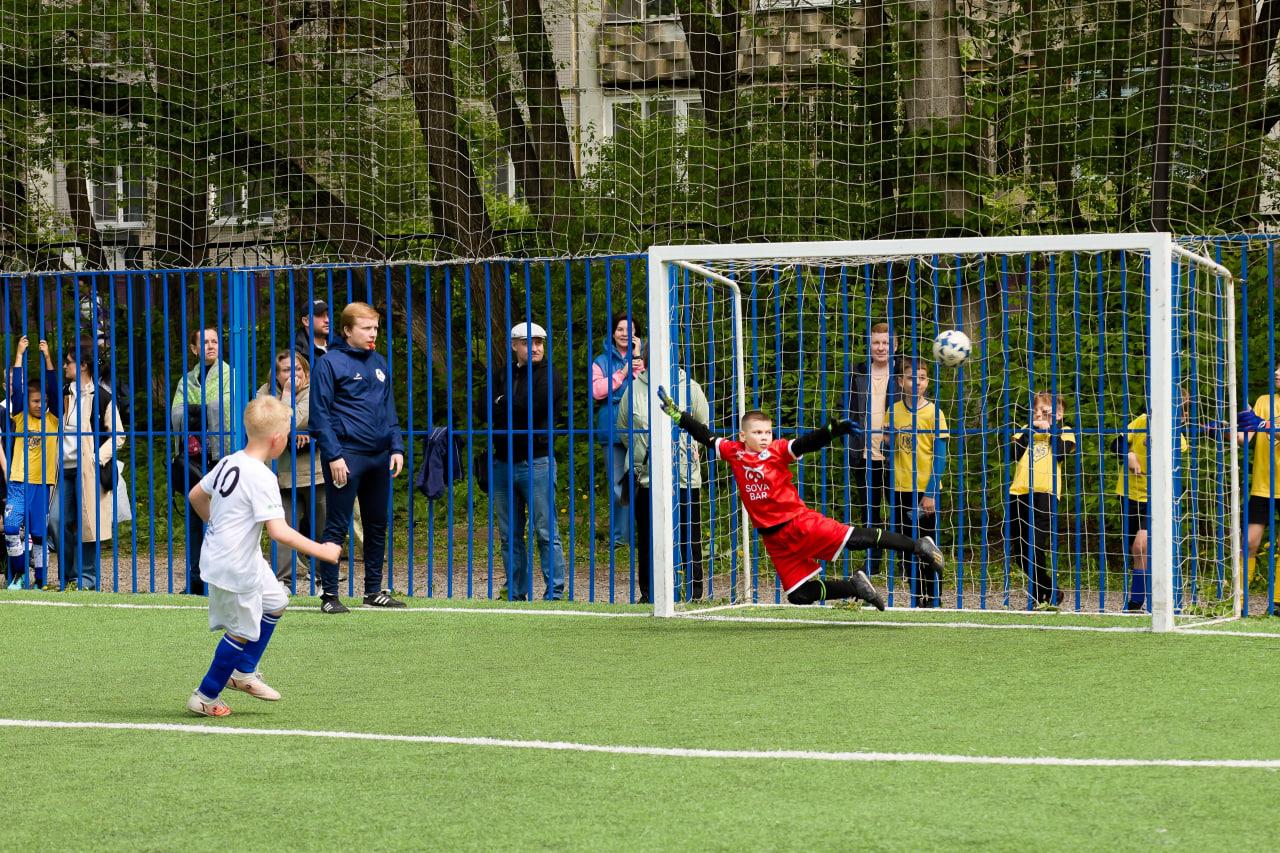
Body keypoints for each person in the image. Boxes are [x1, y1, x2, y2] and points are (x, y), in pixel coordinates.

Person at [657, 392, 946, 609]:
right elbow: (705, 436)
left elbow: (804, 443)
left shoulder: (778, 451)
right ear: (743, 435)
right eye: (757, 432)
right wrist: (678, 416)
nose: (764, 437)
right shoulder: (733, 452)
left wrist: (830, 432)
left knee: (857, 539)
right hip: (774, 538)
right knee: (799, 594)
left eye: (767, 432)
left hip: (796, 523)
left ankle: (918, 546)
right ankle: (854, 587)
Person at [184, 396, 342, 717]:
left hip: (243, 556)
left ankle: (243, 672)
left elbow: (196, 495)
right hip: (234, 565)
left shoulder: (230, 461)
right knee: (241, 631)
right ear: (278, 440)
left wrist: (215, 523)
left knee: (275, 602)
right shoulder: (263, 477)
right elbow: (279, 531)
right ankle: (205, 695)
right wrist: (322, 551)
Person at [310, 302, 406, 613]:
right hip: (346, 456)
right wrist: (334, 455)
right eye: (366, 328)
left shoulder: (379, 362)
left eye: (375, 328)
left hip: (379, 457)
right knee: (336, 525)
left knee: (377, 523)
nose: (372, 333)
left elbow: (388, 410)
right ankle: (329, 596)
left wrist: (396, 447)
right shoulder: (329, 364)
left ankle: (373, 591)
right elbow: (320, 416)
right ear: (347, 330)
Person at [477, 321, 568, 601]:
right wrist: (507, 404)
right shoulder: (501, 374)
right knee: (509, 534)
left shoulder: (550, 374)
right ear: (515, 345)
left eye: (540, 342)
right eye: (529, 342)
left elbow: (535, 406)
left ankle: (554, 592)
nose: (536, 347)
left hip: (536, 462)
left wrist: (502, 403)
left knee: (545, 530)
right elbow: (482, 409)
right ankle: (516, 592)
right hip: (503, 463)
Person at [616, 345, 707, 603]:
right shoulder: (633, 390)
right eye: (652, 358)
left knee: (690, 536)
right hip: (647, 478)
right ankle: (650, 593)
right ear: (644, 360)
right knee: (648, 537)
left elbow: (702, 427)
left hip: (685, 477)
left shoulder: (691, 388)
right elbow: (625, 430)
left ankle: (693, 593)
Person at [58, 342, 126, 591]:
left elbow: (118, 434)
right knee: (57, 520)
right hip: (62, 469)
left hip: (87, 468)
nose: (65, 365)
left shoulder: (103, 397)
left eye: (69, 361)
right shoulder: (63, 393)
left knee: (88, 523)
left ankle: (86, 579)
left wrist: (97, 458)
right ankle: (69, 574)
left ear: (83, 365)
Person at [169, 327, 233, 595]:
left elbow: (230, 405)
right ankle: (196, 580)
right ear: (194, 349)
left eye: (214, 341)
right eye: (204, 342)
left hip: (221, 458)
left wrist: (197, 411)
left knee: (225, 519)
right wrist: (206, 411)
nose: (210, 346)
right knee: (196, 521)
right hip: (195, 458)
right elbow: (175, 413)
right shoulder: (187, 381)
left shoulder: (230, 374)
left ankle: (223, 580)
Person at [1111, 398, 1190, 613]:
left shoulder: (1178, 438)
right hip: (1128, 494)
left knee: (1142, 546)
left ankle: (1141, 601)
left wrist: (1155, 440)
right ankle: (1139, 601)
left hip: (1156, 498)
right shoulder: (1141, 421)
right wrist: (1128, 455)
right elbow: (1115, 443)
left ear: (1181, 417)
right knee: (1136, 551)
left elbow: (1169, 457)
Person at [255, 350, 327, 587]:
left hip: (314, 471)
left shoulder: (315, 391)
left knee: (321, 526)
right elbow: (270, 424)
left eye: (297, 369)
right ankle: (283, 580)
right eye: (286, 370)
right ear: (276, 375)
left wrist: (297, 431)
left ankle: (322, 575)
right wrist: (286, 397)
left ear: (305, 371)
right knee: (282, 528)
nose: (293, 374)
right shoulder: (263, 393)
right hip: (280, 474)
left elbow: (297, 421)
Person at [1007, 392, 1077, 609]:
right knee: (1019, 550)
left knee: (1035, 545)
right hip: (1019, 493)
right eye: (1035, 410)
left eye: (1044, 411)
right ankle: (1048, 589)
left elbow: (1060, 454)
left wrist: (1050, 431)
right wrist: (1031, 430)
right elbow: (1014, 453)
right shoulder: (1024, 431)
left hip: (1044, 495)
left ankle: (1041, 595)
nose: (1038, 414)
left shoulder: (1065, 432)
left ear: (1058, 414)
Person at [890, 359, 948, 608]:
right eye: (912, 377)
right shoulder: (893, 412)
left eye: (922, 377)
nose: (917, 382)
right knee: (906, 549)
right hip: (900, 490)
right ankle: (917, 598)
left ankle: (934, 599)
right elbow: (887, 448)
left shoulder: (935, 413)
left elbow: (941, 456)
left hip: (926, 492)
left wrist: (931, 493)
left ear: (928, 382)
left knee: (928, 549)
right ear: (902, 381)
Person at [841, 322, 898, 574]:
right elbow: (846, 407)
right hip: (864, 454)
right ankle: (873, 564)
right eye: (876, 342)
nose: (881, 347)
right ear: (870, 345)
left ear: (895, 345)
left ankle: (905, 565)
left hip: (896, 455)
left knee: (899, 510)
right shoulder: (858, 372)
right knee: (870, 513)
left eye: (886, 342)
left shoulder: (903, 374)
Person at [5, 337, 60, 590]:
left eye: (43, 401)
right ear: (27, 402)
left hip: (43, 483)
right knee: (11, 526)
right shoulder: (19, 414)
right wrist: (19, 356)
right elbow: (16, 388)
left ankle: (40, 579)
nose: (40, 405)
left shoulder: (53, 419)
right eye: (36, 401)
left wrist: (48, 358)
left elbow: (54, 387)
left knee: (39, 534)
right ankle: (17, 574)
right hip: (18, 480)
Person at [591, 311, 644, 547]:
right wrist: (623, 372)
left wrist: (638, 358)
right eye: (620, 329)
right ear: (613, 333)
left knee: (643, 481)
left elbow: (646, 388)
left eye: (630, 330)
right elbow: (597, 391)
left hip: (639, 428)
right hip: (611, 428)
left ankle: (643, 532)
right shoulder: (600, 361)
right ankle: (621, 538)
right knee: (617, 484)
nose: (625, 334)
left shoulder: (643, 359)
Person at [1238, 365, 1280, 613]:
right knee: (1250, 542)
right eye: (1276, 369)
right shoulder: (1264, 400)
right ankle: (1240, 601)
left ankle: (1277, 602)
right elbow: (1246, 439)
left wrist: (1263, 424)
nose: (1276, 373)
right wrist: (1230, 430)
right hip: (1263, 487)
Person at [295, 299, 335, 366]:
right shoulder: (297, 352)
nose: (327, 320)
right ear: (306, 321)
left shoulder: (340, 344)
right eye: (320, 315)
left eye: (328, 315)